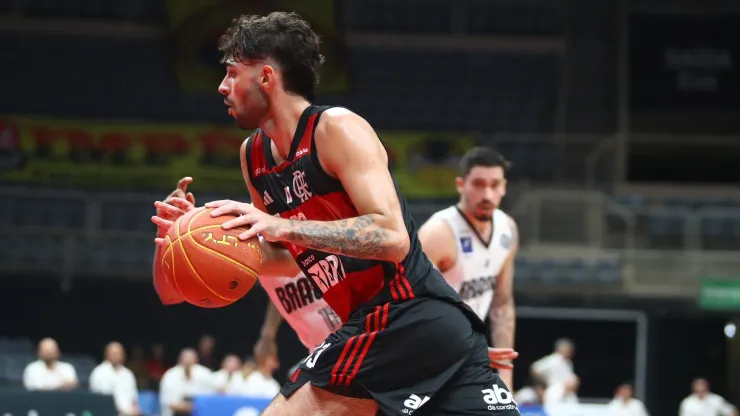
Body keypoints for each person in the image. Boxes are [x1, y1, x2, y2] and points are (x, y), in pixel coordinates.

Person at [152, 11, 520, 415]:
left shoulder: (336, 128)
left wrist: (281, 225)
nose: (222, 87)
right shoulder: (253, 157)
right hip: (399, 333)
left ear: (267, 77)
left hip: (404, 314)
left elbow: (393, 239)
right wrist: (189, 237)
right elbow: (285, 261)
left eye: (232, 73)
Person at [417, 146, 517, 389]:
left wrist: (506, 377)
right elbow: (409, 309)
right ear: (461, 185)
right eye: (479, 184)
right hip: (427, 358)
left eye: (495, 185)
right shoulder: (438, 233)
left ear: (504, 186)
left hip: (469, 356)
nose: (487, 194)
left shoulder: (508, 228)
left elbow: (502, 304)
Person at [89, 342, 140, 415]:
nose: (116, 356)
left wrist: (135, 411)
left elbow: (134, 400)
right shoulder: (99, 373)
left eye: (119, 353)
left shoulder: (128, 374)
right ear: (107, 355)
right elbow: (101, 402)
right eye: (113, 353)